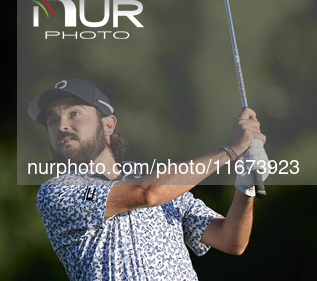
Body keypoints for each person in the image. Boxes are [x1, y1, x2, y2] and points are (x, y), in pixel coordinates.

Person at [27, 78, 269, 281]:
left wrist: (246, 184)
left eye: (74, 113)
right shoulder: (57, 192)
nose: (62, 126)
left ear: (108, 124)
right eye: (52, 120)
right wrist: (230, 150)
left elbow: (231, 240)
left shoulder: (162, 182)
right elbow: (145, 194)